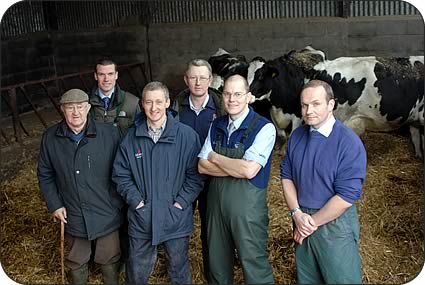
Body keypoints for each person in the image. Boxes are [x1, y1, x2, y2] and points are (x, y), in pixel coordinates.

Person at [112, 81, 204, 284]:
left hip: (175, 218)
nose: (154, 108)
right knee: (136, 272)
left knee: (179, 269)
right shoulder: (130, 139)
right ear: (142, 105)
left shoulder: (187, 136)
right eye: (148, 102)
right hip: (141, 217)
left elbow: (196, 175)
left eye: (159, 102)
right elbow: (121, 175)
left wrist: (180, 203)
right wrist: (137, 202)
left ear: (168, 103)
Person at [280, 79, 367, 284]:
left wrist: (311, 224)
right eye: (304, 105)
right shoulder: (297, 136)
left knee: (342, 280)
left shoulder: (348, 143)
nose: (309, 110)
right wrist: (297, 214)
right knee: (308, 279)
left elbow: (346, 196)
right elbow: (287, 176)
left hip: (333, 224)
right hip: (302, 218)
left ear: (331, 104)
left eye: (316, 104)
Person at [37, 89, 123, 284]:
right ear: (62, 110)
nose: (76, 112)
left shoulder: (109, 133)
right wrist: (55, 204)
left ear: (88, 108)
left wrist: (115, 202)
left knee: (109, 256)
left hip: (106, 209)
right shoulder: (50, 138)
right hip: (72, 210)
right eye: (70, 108)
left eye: (80, 107)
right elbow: (45, 174)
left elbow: (122, 170)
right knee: (76, 259)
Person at [198, 74, 276, 284]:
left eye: (238, 94)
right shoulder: (216, 125)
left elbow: (249, 171)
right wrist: (236, 167)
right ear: (222, 96)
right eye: (227, 94)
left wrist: (215, 157)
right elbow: (202, 165)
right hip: (216, 209)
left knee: (254, 263)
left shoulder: (264, 128)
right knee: (217, 265)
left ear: (249, 97)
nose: (232, 99)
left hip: (247, 212)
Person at [171, 58, 225, 282]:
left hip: (212, 178)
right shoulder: (174, 108)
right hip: (183, 178)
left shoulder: (222, 107)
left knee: (211, 225)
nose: (198, 82)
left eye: (203, 77)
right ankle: (178, 270)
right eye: (193, 77)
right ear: (186, 79)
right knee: (179, 222)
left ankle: (212, 270)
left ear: (210, 80)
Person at [89, 58, 141, 137]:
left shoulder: (132, 102)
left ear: (116, 75)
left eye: (110, 74)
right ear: (95, 76)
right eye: (101, 74)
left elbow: (140, 134)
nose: (106, 79)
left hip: (122, 149)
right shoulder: (84, 102)